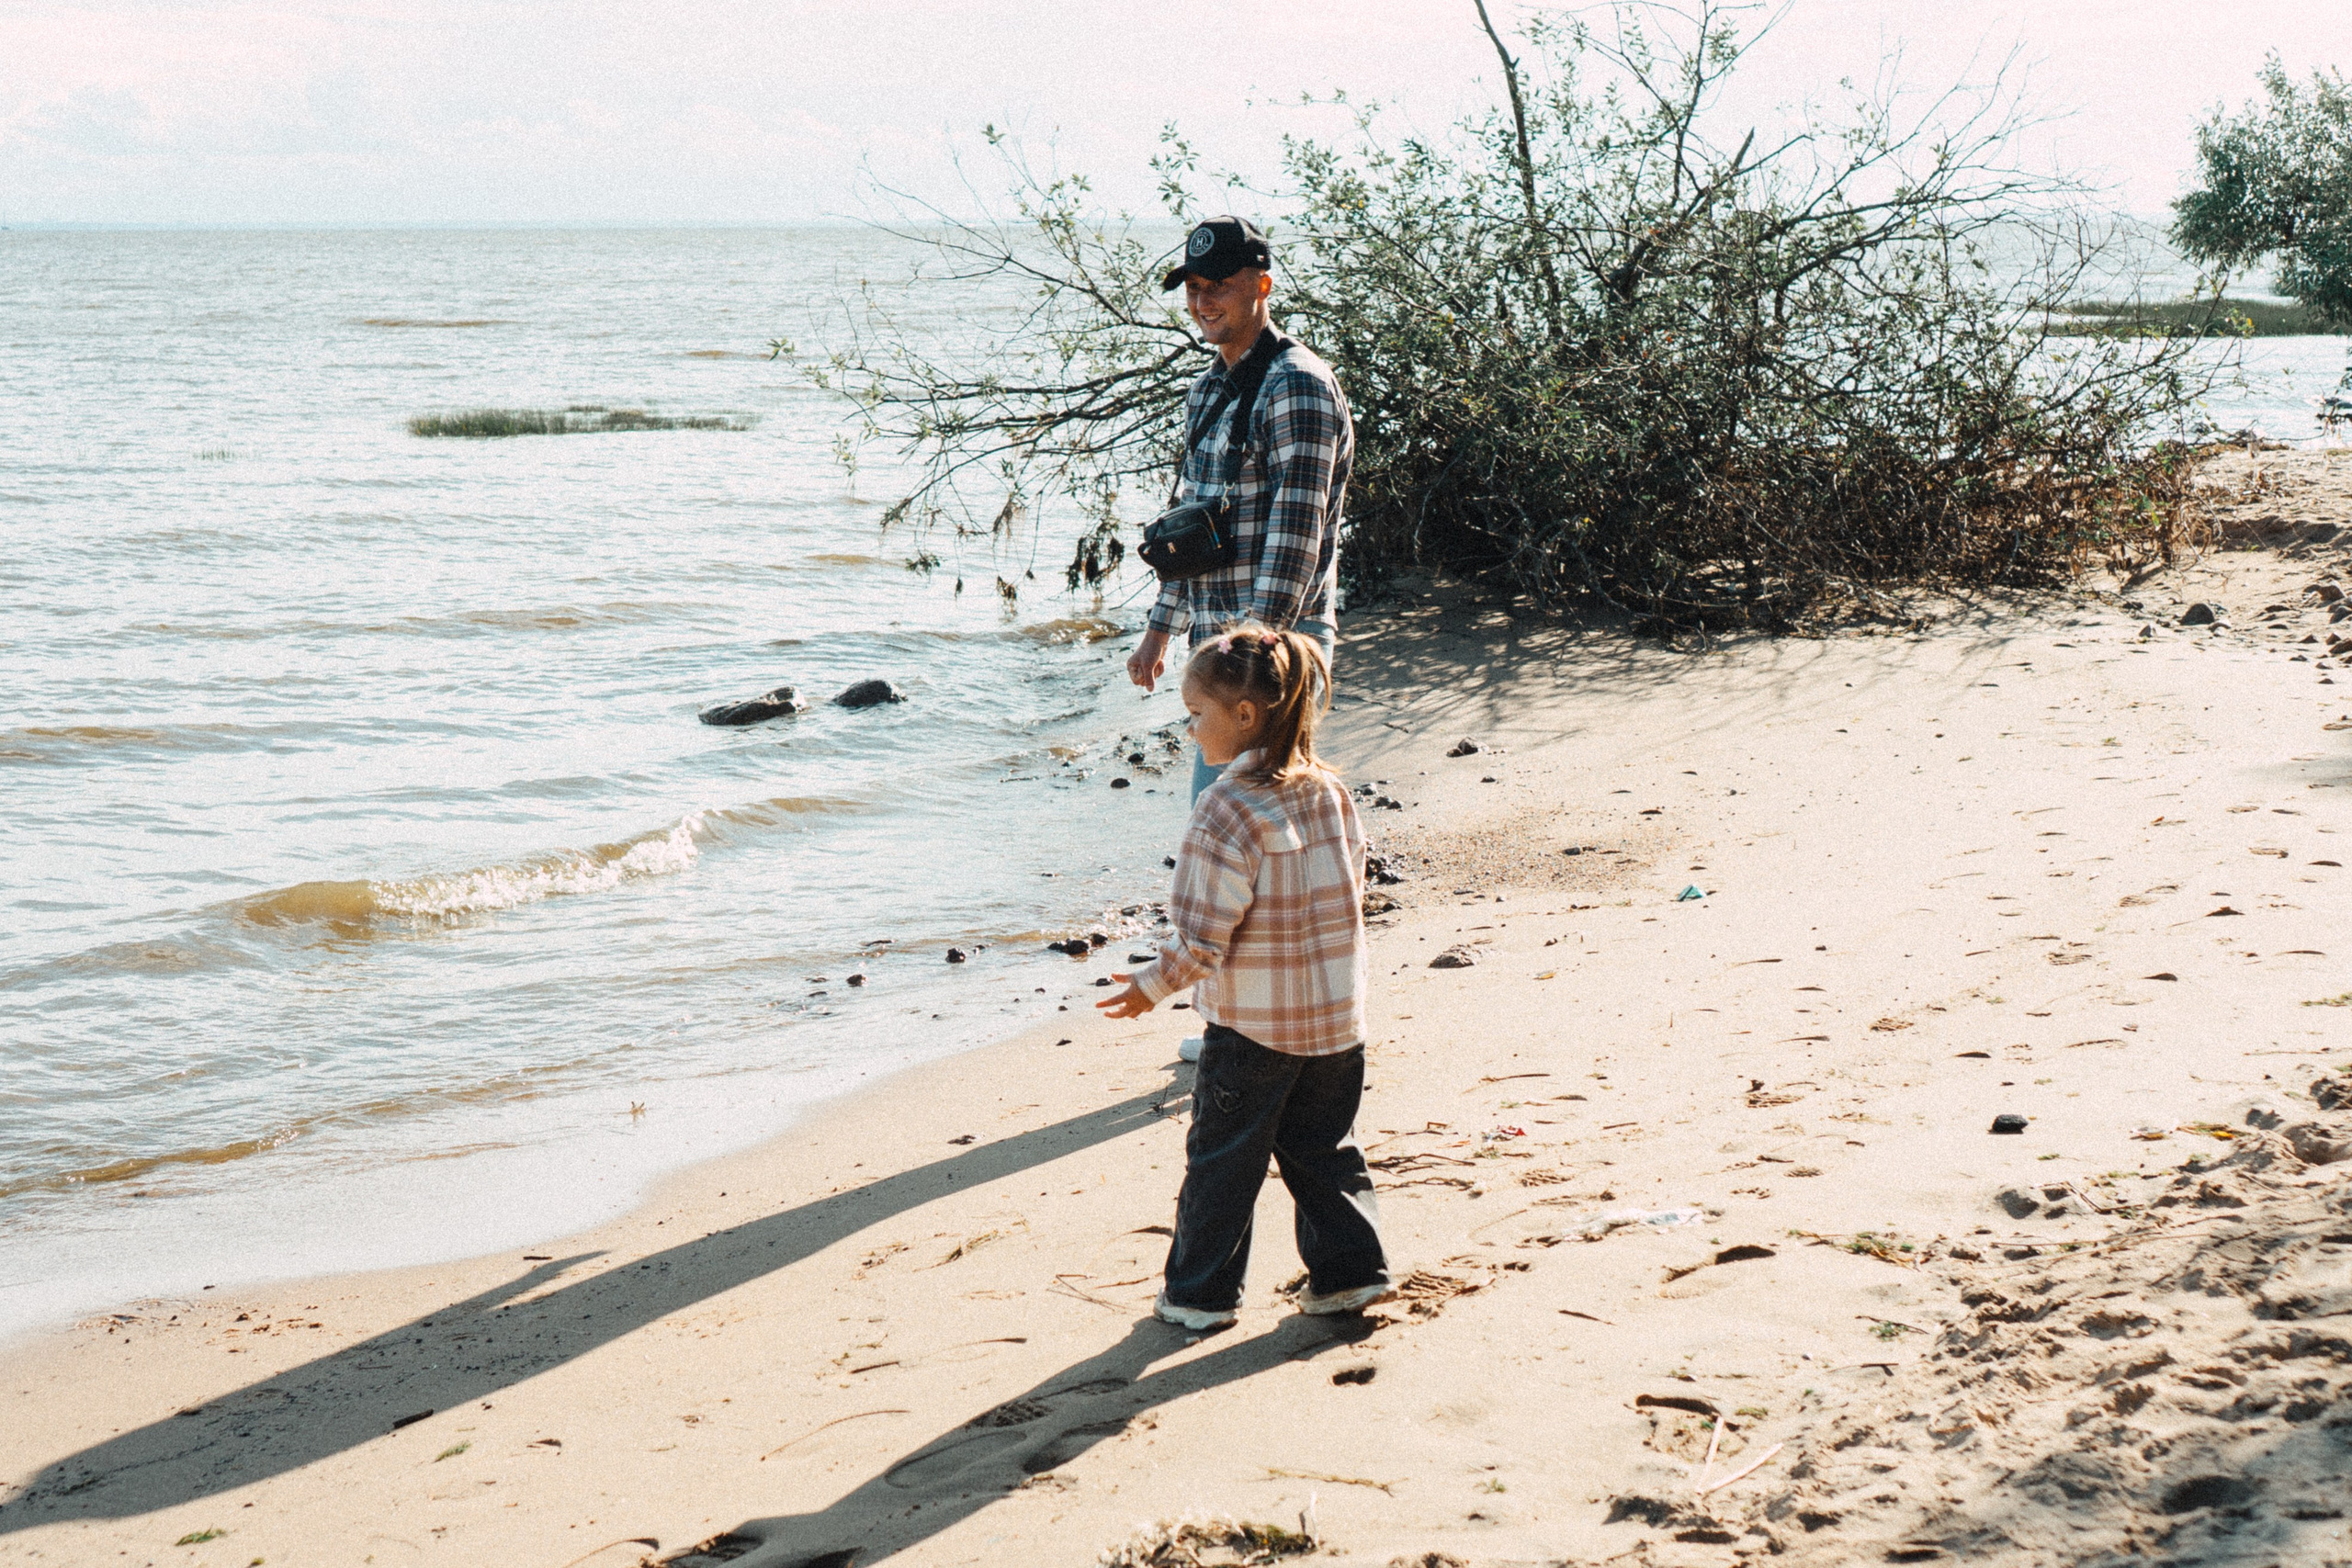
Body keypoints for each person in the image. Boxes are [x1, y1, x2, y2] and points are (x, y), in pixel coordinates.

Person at [1097, 625, 1394, 1330]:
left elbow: (1202, 938)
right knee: (1326, 1151)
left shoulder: (1226, 810)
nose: (1191, 729)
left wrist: (1149, 986)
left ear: (1245, 715)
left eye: (1197, 714)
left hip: (1254, 1030)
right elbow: (1353, 889)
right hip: (1334, 1024)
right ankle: (1350, 1273)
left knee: (1223, 1161)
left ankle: (1199, 1295)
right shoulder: (1330, 792)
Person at [1129, 215, 1355, 1064]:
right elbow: (1191, 525)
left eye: (1218, 286)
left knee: (1227, 830)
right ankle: (1252, 1015)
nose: (1202, 301)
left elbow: (1299, 535)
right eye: (1192, 288)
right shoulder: (1209, 391)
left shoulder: (1297, 386)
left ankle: (1241, 1027)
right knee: (1239, 836)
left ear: (1262, 285)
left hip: (1276, 653)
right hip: (1217, 647)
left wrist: (1253, 667)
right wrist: (1161, 630)